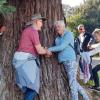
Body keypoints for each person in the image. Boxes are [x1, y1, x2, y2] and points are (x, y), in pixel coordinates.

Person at [47, 20, 89, 100]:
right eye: (56, 27)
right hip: (63, 62)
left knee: (72, 83)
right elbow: (56, 50)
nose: (56, 28)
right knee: (74, 83)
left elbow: (61, 47)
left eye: (58, 26)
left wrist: (49, 49)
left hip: (70, 61)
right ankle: (86, 98)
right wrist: (48, 51)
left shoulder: (68, 34)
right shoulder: (57, 38)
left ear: (63, 27)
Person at [12, 13, 49, 100]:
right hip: (26, 61)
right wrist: (47, 51)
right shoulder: (33, 31)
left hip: (20, 60)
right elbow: (39, 51)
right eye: (41, 21)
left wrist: (43, 49)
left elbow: (33, 47)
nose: (42, 24)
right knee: (32, 88)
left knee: (29, 88)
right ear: (36, 21)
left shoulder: (27, 30)